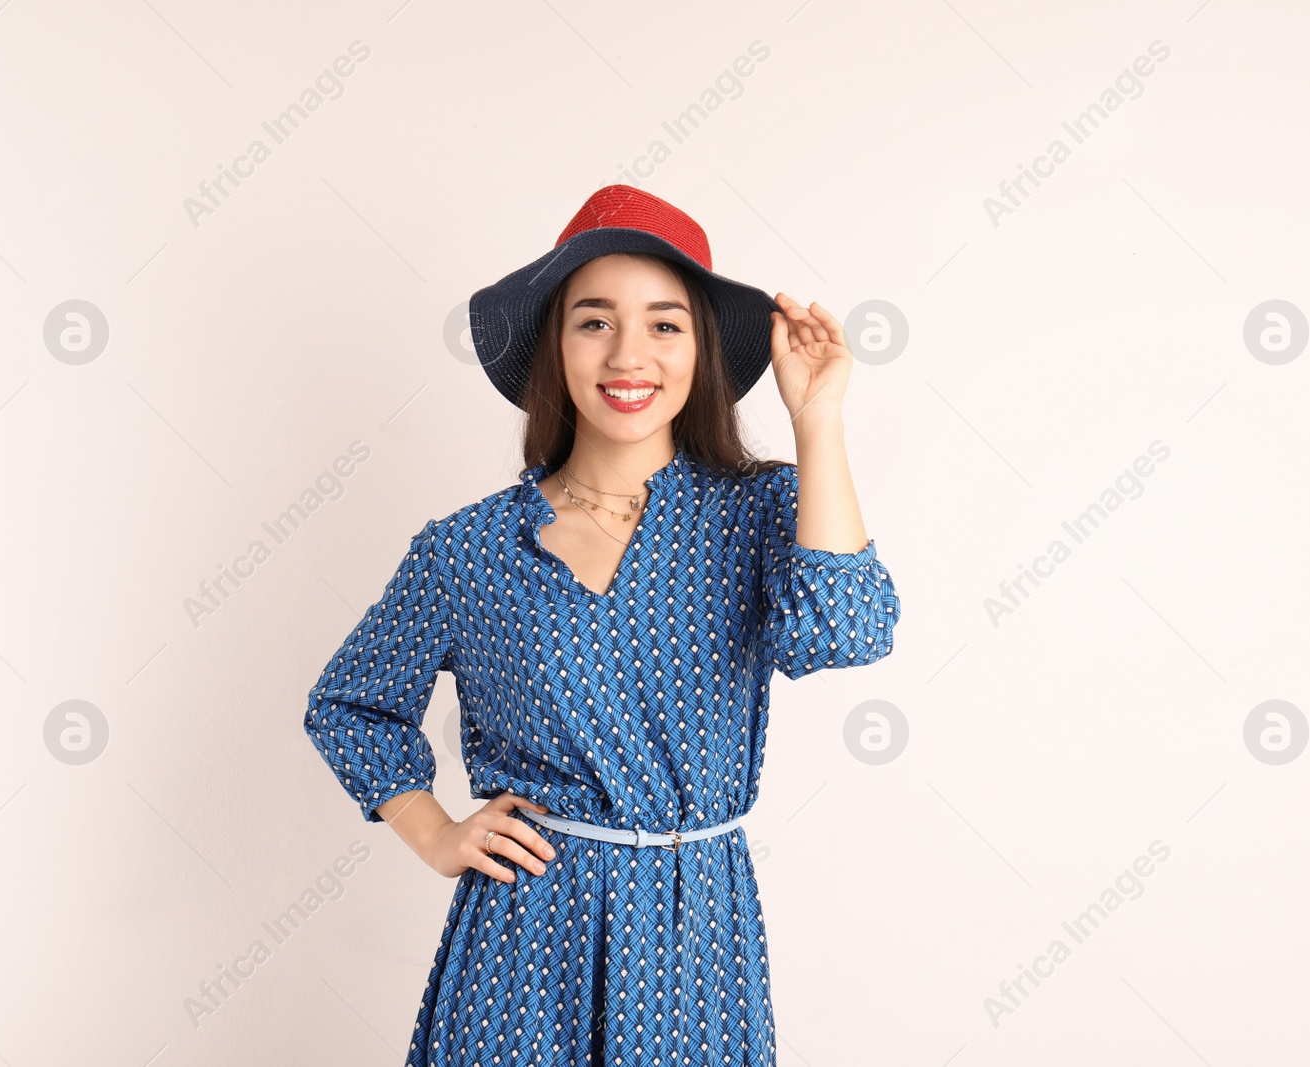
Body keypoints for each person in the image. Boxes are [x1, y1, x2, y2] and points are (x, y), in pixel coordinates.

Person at [303, 184, 901, 1066]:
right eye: (594, 321)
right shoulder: (467, 549)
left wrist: (817, 418)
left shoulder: (758, 513)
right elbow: (350, 704)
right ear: (556, 344)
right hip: (522, 942)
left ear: (701, 347)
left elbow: (846, 631)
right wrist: (435, 831)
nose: (630, 353)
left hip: (695, 938)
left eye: (665, 323)